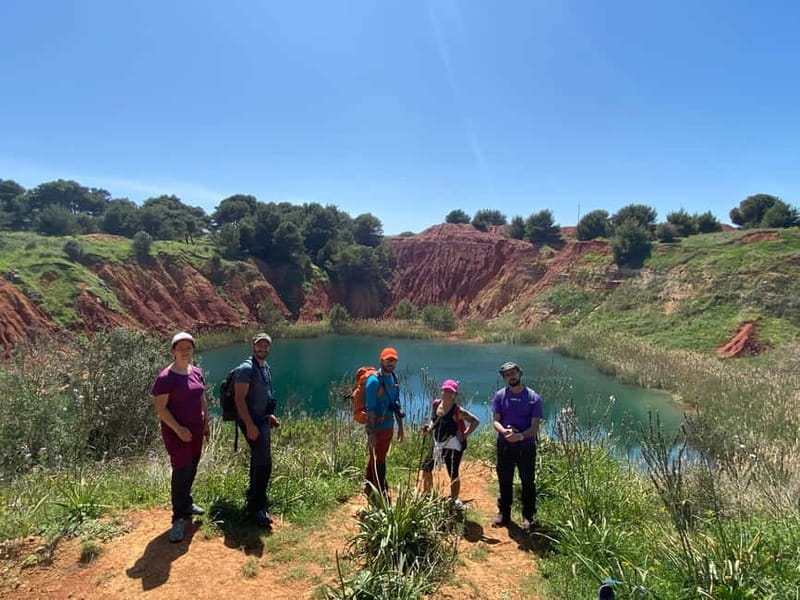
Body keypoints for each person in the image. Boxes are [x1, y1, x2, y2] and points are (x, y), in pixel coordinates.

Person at [151, 332, 210, 543]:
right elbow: (161, 409)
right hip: (177, 433)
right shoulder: (166, 377)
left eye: (189, 347)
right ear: (172, 351)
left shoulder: (196, 372)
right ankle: (178, 519)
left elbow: (202, 398)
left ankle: (187, 503)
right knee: (181, 470)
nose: (185, 351)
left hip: (196, 431)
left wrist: (206, 424)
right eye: (180, 348)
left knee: (192, 466)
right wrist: (178, 429)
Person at [233, 332, 280, 527]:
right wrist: (250, 425)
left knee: (259, 460)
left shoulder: (265, 367)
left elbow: (264, 395)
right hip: (251, 422)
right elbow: (239, 398)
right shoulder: (246, 368)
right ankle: (256, 508)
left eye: (266, 346)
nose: (263, 349)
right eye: (259, 346)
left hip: (262, 420)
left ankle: (254, 495)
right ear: (253, 347)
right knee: (264, 463)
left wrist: (269, 416)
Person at [491, 361, 543, 532]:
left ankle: (529, 517)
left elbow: (534, 428)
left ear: (520, 374)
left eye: (513, 373)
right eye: (507, 374)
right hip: (505, 446)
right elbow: (496, 422)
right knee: (505, 480)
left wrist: (519, 436)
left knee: (528, 481)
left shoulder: (533, 398)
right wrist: (505, 433)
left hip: (526, 447)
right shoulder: (500, 396)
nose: (511, 377)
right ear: (504, 378)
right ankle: (504, 514)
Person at [420, 379, 480, 507]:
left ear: (455, 394)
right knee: (426, 468)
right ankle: (427, 494)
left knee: (453, 472)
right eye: (445, 390)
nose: (447, 393)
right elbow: (433, 420)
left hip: (453, 444)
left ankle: (454, 499)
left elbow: (475, 421)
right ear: (441, 391)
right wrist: (429, 428)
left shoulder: (457, 410)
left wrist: (465, 434)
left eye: (450, 392)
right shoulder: (436, 404)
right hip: (437, 443)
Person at [364, 347, 405, 498]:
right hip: (377, 427)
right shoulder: (373, 381)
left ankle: (369, 487)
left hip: (389, 425)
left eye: (393, 361)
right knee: (378, 459)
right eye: (388, 360)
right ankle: (380, 491)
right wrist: (372, 432)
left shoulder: (394, 379)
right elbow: (370, 408)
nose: (391, 363)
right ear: (381, 361)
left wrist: (401, 427)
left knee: (378, 456)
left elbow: (396, 404)